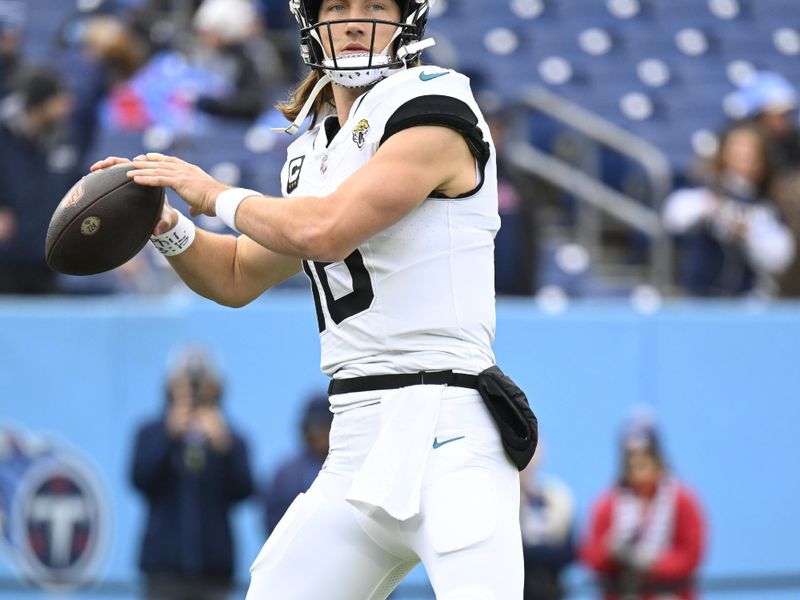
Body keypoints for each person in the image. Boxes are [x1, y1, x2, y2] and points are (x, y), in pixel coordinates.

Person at [95, 0, 532, 597]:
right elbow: (233, 274)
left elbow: (327, 230)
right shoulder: (311, 153)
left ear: (410, 18)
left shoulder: (435, 107)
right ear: (311, 22)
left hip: (449, 432)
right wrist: (166, 225)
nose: (355, 20)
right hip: (354, 440)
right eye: (338, 6)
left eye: (374, 4)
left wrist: (214, 194)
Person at [130, 347, 254, 600]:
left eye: (200, 383)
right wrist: (168, 436)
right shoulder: (151, 432)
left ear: (216, 387)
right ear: (170, 386)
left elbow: (245, 490)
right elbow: (140, 480)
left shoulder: (230, 437)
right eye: (186, 383)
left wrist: (224, 447)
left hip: (214, 572)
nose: (194, 391)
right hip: (164, 570)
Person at [580, 413, 706, 600]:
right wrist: (612, 552)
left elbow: (691, 555)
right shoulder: (608, 504)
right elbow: (591, 554)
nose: (638, 468)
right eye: (631, 461)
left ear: (658, 461)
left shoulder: (682, 500)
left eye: (644, 459)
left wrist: (651, 564)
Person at [662, 122, 795, 296]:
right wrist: (709, 207)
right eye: (737, 153)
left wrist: (748, 233)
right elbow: (673, 216)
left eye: (751, 155)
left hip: (746, 301)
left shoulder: (766, 206)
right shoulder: (704, 190)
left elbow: (779, 259)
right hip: (700, 298)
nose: (744, 161)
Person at [0, 65, 79, 294]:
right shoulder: (4, 137)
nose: (67, 106)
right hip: (6, 259)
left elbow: (78, 185)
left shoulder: (62, 137)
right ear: (41, 102)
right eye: (59, 99)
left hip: (47, 259)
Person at [263, 393, 333, 534]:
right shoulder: (285, 474)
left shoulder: (350, 468)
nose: (317, 434)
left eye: (323, 427)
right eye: (313, 428)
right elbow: (271, 521)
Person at [519, 444, 575, 600]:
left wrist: (530, 552)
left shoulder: (557, 496)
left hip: (551, 591)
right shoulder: (498, 499)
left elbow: (568, 551)